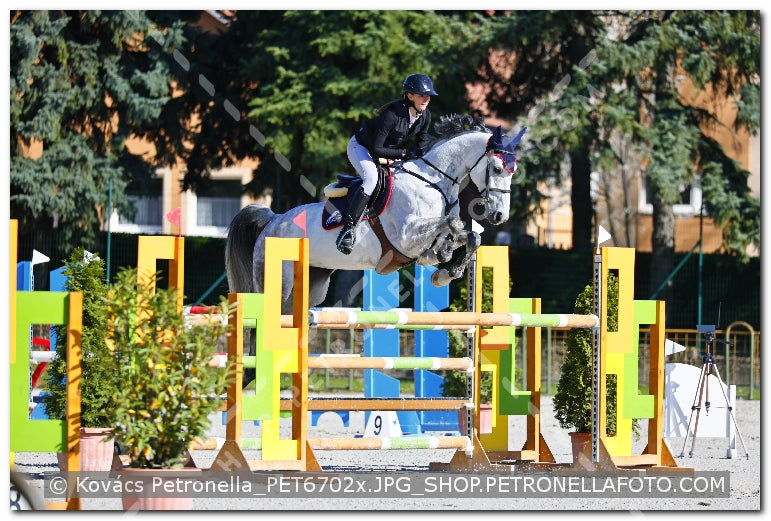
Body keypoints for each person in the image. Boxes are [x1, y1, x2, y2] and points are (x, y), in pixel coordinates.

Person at [336, 73, 437, 255]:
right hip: (362, 147)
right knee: (371, 179)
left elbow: (421, 146)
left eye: (428, 95)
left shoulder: (425, 115)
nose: (426, 98)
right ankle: (348, 230)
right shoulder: (392, 114)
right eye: (422, 95)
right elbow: (376, 150)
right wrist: (406, 153)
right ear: (410, 96)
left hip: (387, 152)